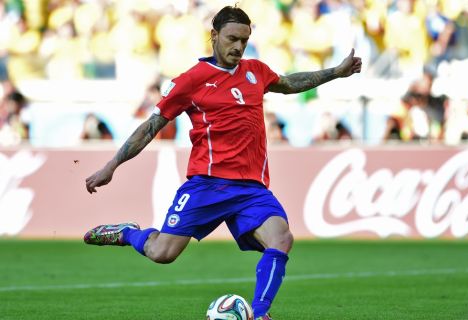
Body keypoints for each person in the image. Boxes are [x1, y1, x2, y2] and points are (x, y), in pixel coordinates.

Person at [83, 5, 361, 320]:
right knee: (162, 253)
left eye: (244, 40)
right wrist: (112, 165)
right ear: (214, 36)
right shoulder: (191, 81)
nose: (239, 47)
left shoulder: (256, 71)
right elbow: (151, 126)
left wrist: (335, 73)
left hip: (251, 189)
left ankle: (260, 314)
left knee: (281, 238)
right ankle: (129, 233)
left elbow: (289, 83)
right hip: (207, 185)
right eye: (232, 39)